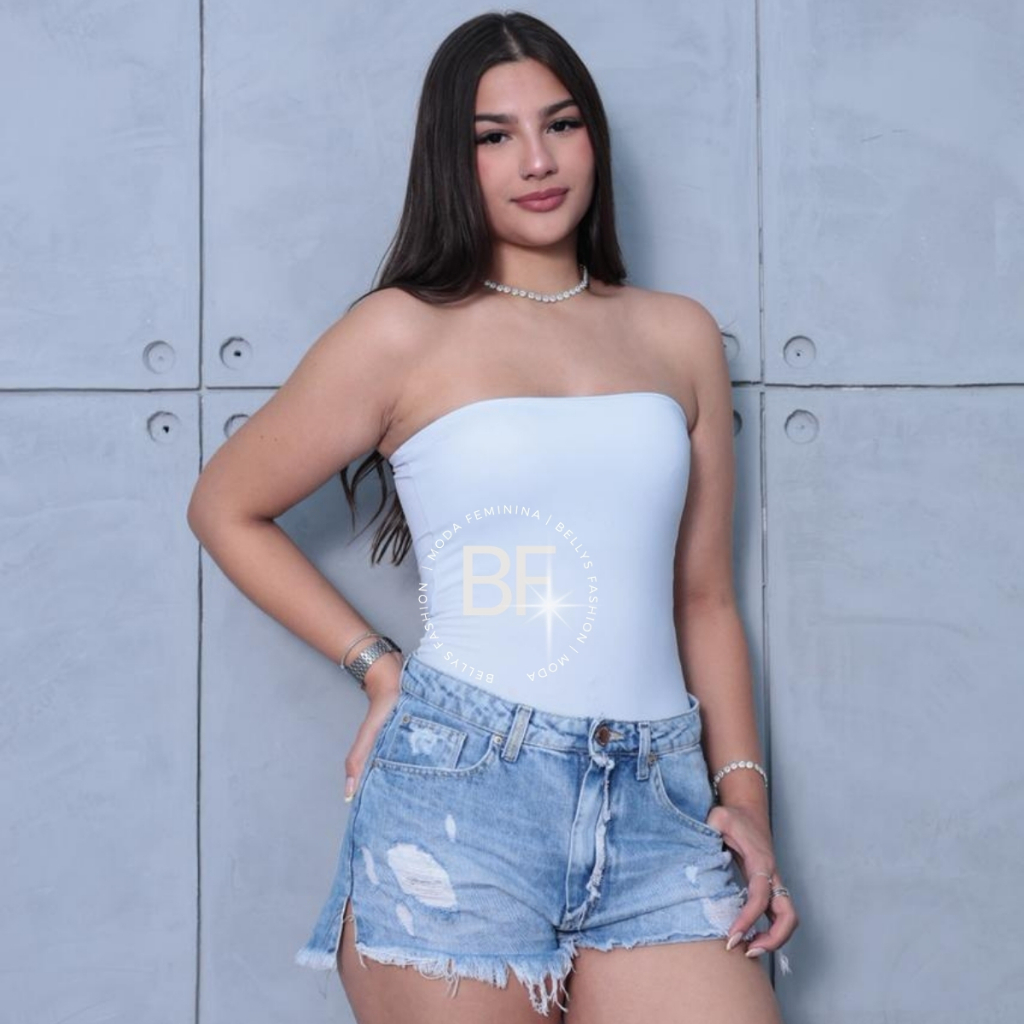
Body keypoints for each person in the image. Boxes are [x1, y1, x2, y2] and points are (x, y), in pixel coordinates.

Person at [187, 10, 799, 1022]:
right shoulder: (399, 332)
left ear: (593, 136)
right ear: (451, 156)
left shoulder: (678, 335)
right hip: (463, 796)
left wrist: (745, 799)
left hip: (659, 799)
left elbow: (703, 598)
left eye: (560, 124)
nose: (536, 160)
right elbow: (224, 504)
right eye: (494, 135)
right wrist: (376, 666)